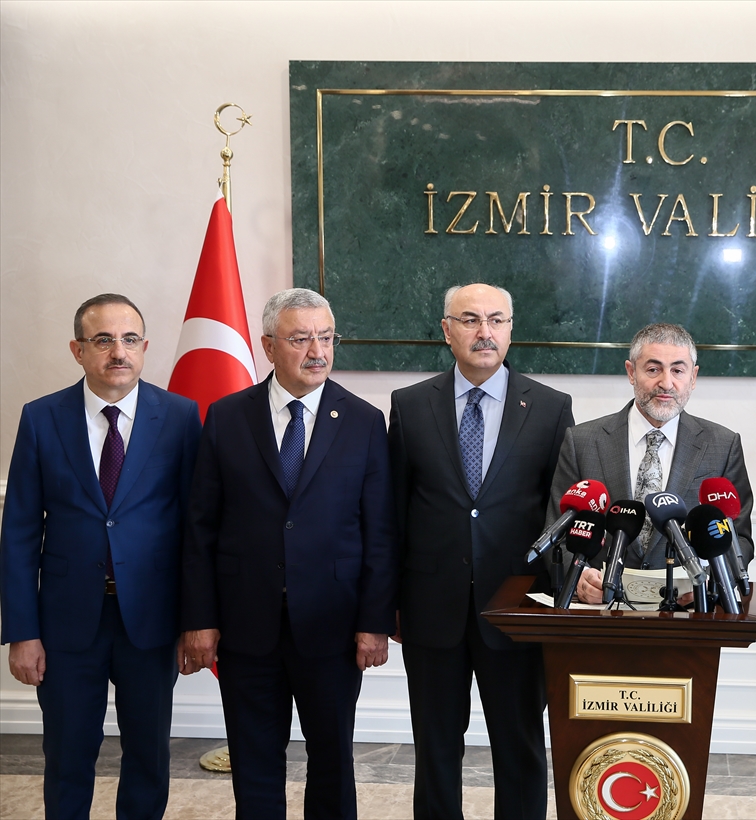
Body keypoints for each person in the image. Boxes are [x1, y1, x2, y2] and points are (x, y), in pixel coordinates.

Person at [180, 288, 396, 819]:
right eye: (300, 339)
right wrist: (200, 619)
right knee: (254, 761)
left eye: (326, 338)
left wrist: (374, 623)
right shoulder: (227, 416)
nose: (317, 351)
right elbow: (200, 527)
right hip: (245, 625)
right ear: (268, 345)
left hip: (332, 625)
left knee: (332, 761)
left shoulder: (365, 421)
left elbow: (380, 532)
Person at [0, 294, 201, 819]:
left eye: (130, 339)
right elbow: (19, 533)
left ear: (145, 347)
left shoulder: (179, 417)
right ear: (78, 350)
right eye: (104, 340)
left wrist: (195, 619)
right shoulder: (41, 418)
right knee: (67, 757)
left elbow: (195, 530)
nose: (119, 352)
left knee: (148, 757)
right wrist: (22, 632)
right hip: (66, 624)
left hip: (152, 621)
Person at [388, 283, 573, 820]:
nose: (484, 332)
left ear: (511, 330)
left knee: (520, 748)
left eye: (496, 320)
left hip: (518, 607)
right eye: (469, 320)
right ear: (447, 331)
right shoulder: (410, 405)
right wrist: (388, 601)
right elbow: (393, 511)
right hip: (430, 607)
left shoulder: (550, 407)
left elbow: (561, 515)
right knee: (435, 749)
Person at [548, 322, 754, 603]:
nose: (666, 383)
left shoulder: (723, 445)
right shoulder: (581, 441)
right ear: (631, 372)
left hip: (688, 612)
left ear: (693, 377)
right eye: (654, 369)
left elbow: (739, 538)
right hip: (602, 610)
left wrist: (710, 580)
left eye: (678, 371)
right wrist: (580, 576)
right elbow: (557, 535)